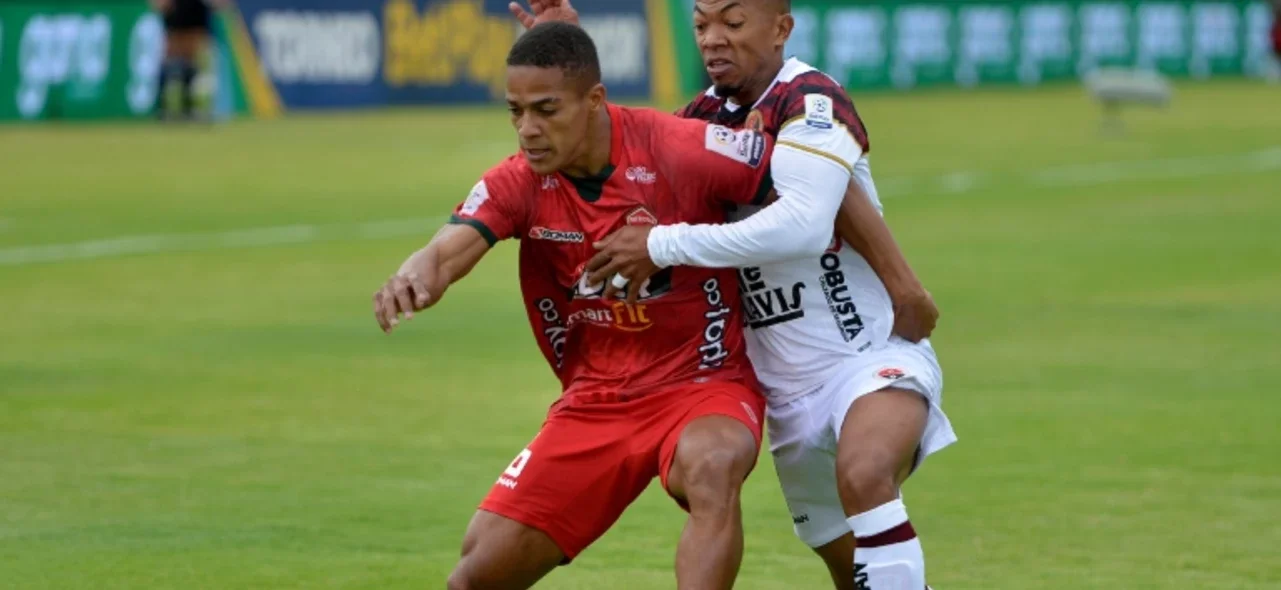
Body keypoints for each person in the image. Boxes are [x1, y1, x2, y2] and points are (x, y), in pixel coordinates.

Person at [509, 1, 955, 589]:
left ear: (781, 28)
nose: (714, 40)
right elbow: (621, 147)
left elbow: (803, 223)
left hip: (864, 354)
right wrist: (565, 46)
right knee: (853, 568)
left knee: (867, 472)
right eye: (701, 26)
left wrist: (664, 243)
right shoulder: (702, 117)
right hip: (783, 394)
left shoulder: (811, 101)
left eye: (733, 23)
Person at [373, 22, 785, 590]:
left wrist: (894, 281)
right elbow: (446, 251)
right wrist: (411, 276)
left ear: (595, 101)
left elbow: (814, 183)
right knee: (476, 574)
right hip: (596, 400)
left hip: (704, 380)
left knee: (712, 469)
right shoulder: (518, 182)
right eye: (515, 112)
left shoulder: (675, 147)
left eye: (546, 110)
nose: (527, 130)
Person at [149, 0, 223, 120]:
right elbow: (159, 5)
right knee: (173, 73)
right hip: (175, 32)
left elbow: (221, 5)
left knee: (198, 74)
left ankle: (196, 110)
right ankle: (167, 109)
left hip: (197, 32)